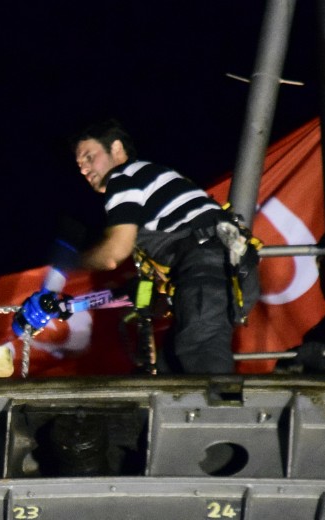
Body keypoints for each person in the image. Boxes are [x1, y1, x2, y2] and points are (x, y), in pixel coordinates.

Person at [73, 119, 246, 374]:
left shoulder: (124, 177)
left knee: (201, 355)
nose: (84, 169)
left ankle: (223, 413)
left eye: (89, 157)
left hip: (208, 266)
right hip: (228, 271)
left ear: (117, 149)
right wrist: (140, 304)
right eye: (79, 165)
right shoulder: (152, 197)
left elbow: (114, 254)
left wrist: (72, 262)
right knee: (171, 365)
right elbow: (148, 285)